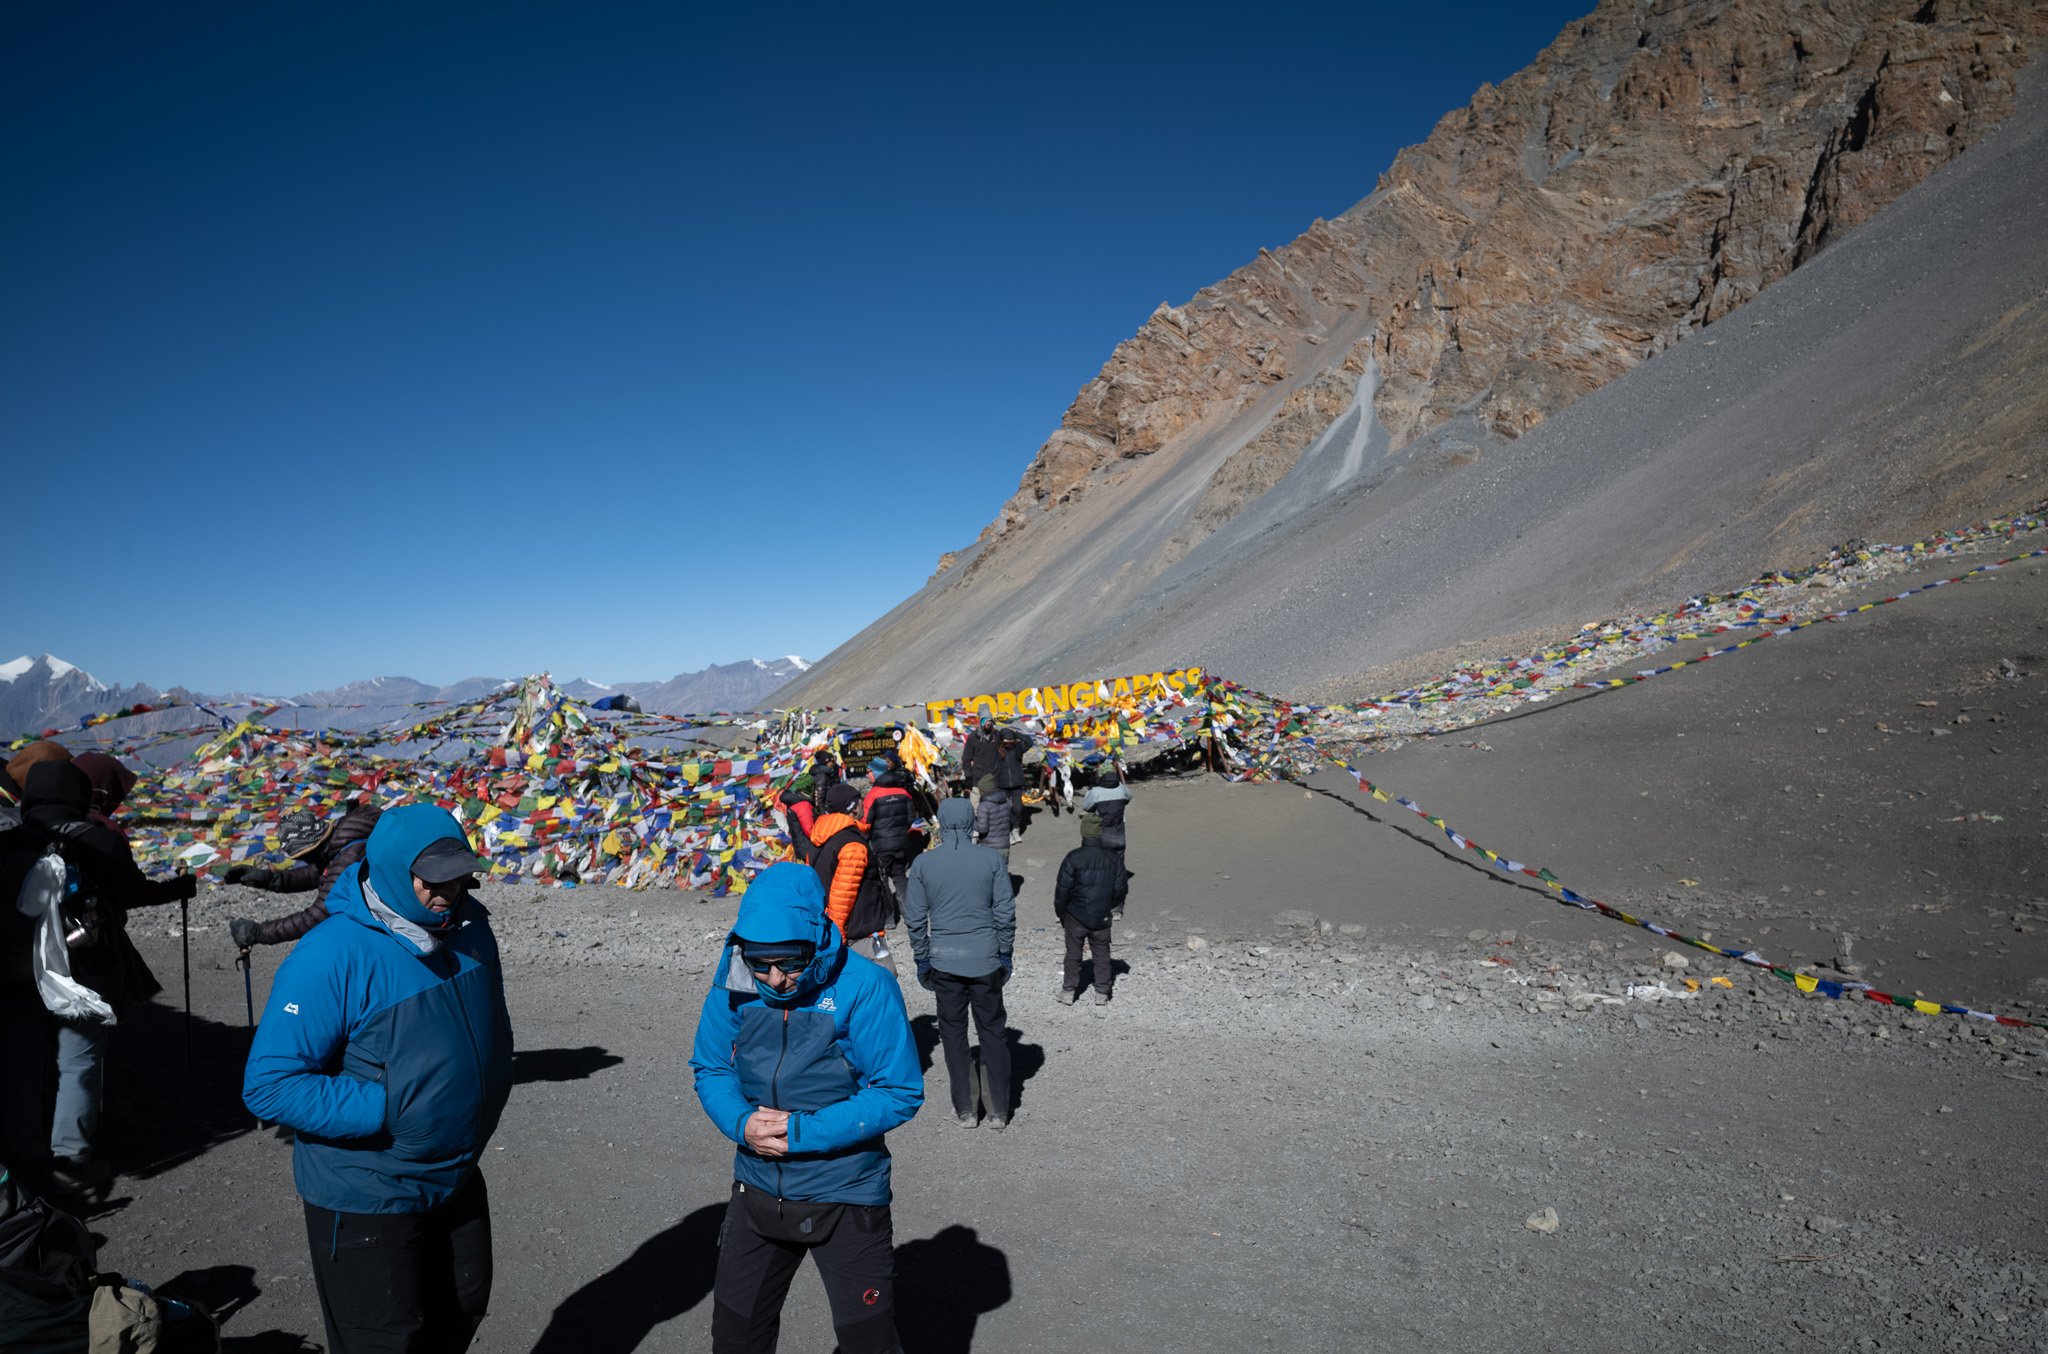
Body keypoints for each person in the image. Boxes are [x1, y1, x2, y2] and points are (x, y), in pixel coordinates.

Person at [243, 804, 513, 1354]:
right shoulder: (334, 953)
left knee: (460, 1310)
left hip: (454, 1175)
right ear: (390, 867)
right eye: (431, 880)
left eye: (458, 875)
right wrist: (391, 1109)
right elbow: (270, 1084)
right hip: (368, 1189)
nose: (446, 891)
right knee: (386, 1342)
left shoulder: (470, 928)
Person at [689, 862, 922, 1354]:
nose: (776, 979)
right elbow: (711, 1067)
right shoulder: (734, 979)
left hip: (845, 1194)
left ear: (816, 936)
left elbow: (898, 1091)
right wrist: (740, 1122)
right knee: (735, 1339)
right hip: (755, 1191)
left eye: (791, 962)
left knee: (869, 1344)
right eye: (761, 963)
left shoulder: (865, 986)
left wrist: (800, 1133)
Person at [18, 759, 195, 1195]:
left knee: (25, 1060)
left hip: (18, 971)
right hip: (82, 967)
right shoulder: (97, 840)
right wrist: (177, 888)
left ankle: (22, 1155)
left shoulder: (10, 839)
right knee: (77, 1060)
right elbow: (135, 892)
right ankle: (70, 1161)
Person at [902, 797, 1014, 1128]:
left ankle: (966, 1109)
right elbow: (1004, 913)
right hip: (985, 958)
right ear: (969, 822)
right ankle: (997, 1111)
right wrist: (1004, 952)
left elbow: (915, 918)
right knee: (992, 1032)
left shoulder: (923, 864)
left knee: (953, 1033)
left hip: (945, 960)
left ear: (940, 822)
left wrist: (921, 956)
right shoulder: (991, 858)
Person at [221, 800, 383, 949]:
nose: (306, 862)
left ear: (310, 850)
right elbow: (318, 873)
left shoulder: (349, 857)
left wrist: (259, 933)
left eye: (303, 857)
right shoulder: (343, 839)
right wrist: (270, 880)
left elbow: (317, 915)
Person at [809, 784, 896, 971]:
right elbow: (842, 897)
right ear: (853, 807)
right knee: (884, 981)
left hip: (835, 928)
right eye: (860, 800)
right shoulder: (852, 845)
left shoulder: (819, 839)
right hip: (859, 933)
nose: (864, 804)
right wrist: (837, 937)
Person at [1053, 814, 1126, 1005]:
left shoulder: (1073, 857)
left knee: (1073, 953)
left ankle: (1069, 991)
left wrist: (1061, 914)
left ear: (1083, 833)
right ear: (1099, 832)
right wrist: (1107, 905)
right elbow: (1121, 889)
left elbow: (1062, 891)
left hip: (1076, 914)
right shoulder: (1113, 858)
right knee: (1102, 953)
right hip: (1101, 915)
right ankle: (1102, 992)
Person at [859, 758, 914, 913]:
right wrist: (900, 833)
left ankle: (889, 917)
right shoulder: (904, 793)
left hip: (881, 846)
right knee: (900, 877)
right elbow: (911, 819)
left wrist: (866, 838)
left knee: (882, 881)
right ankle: (910, 914)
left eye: (870, 771)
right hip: (901, 843)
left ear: (877, 773)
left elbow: (866, 823)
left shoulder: (873, 794)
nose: (867, 774)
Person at [1081, 762, 1132, 916]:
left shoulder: (1095, 792)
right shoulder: (1122, 789)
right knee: (1117, 873)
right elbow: (1129, 797)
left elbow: (1086, 807)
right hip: (1118, 836)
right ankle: (1117, 909)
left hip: (1100, 837)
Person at [971, 775, 1015, 876]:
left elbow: (982, 828)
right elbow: (1010, 820)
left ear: (983, 791)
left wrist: (973, 822)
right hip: (1005, 846)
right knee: (1002, 875)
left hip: (989, 847)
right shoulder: (1006, 800)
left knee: (990, 877)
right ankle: (1006, 891)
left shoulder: (984, 805)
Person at [776, 773, 819, 865]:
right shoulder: (803, 806)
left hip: (801, 848)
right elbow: (810, 831)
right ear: (808, 788)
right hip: (808, 850)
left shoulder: (794, 802)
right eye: (813, 786)